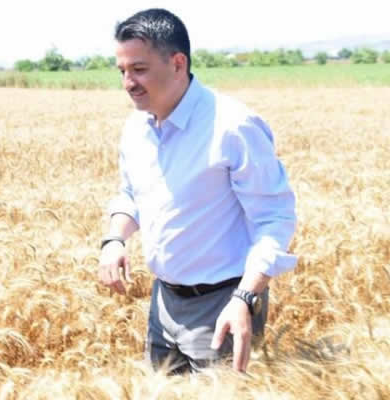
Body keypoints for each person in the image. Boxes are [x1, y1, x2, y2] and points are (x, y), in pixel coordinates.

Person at [98, 8, 297, 374]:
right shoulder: (136, 127)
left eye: (139, 69)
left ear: (177, 63)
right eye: (122, 71)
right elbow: (131, 194)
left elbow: (275, 218)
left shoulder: (233, 126)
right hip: (163, 303)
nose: (128, 82)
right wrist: (115, 239)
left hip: (224, 304)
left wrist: (245, 297)